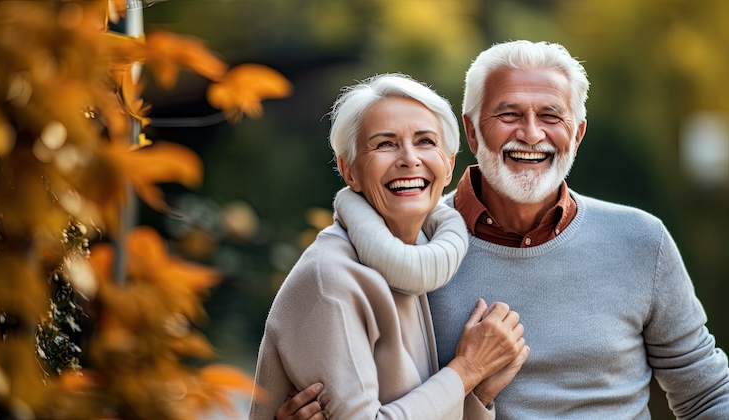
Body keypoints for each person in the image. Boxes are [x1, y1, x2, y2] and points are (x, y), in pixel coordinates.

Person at [282, 40, 729, 418]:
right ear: (472, 133)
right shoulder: (404, 250)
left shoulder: (641, 240)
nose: (531, 134)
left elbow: (707, 393)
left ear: (577, 134)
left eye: (551, 116)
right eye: (509, 114)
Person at [249, 74, 529, 419]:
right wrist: (467, 369)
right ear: (348, 170)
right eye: (384, 144)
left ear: (449, 165)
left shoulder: (418, 258)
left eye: (425, 141)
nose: (409, 159)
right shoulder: (332, 280)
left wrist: (476, 391)